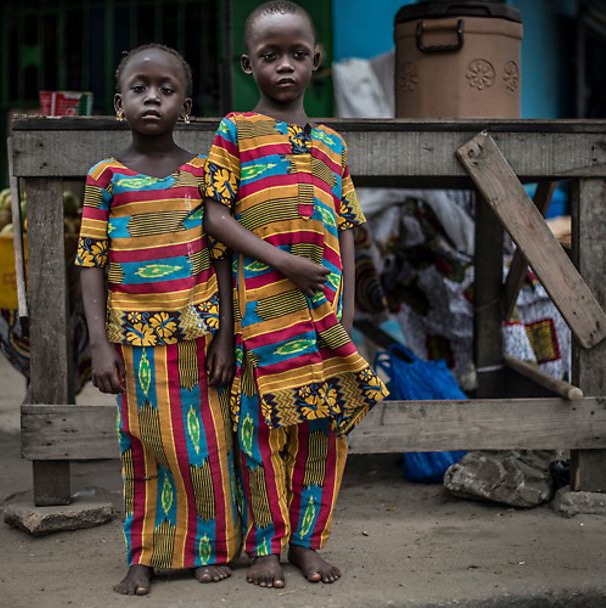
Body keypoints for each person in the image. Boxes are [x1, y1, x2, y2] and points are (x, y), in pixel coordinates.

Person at [201, 0, 387, 589]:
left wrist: (349, 313)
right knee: (258, 434)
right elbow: (214, 219)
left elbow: (347, 230)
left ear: (317, 61)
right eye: (270, 55)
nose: (285, 66)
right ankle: (267, 544)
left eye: (298, 55)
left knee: (324, 435)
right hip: (262, 320)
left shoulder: (332, 144)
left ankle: (307, 541)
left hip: (323, 321)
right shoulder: (234, 132)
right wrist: (282, 262)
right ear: (247, 64)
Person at [75, 43, 240, 596]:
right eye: (139, 89)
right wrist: (99, 344)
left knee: (203, 446)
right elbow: (91, 261)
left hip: (196, 335)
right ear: (119, 104)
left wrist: (224, 338)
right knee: (143, 446)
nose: (152, 98)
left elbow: (219, 258)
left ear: (185, 107)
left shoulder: (202, 174)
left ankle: (207, 548)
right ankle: (144, 553)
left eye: (165, 90)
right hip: (133, 342)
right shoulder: (105, 177)